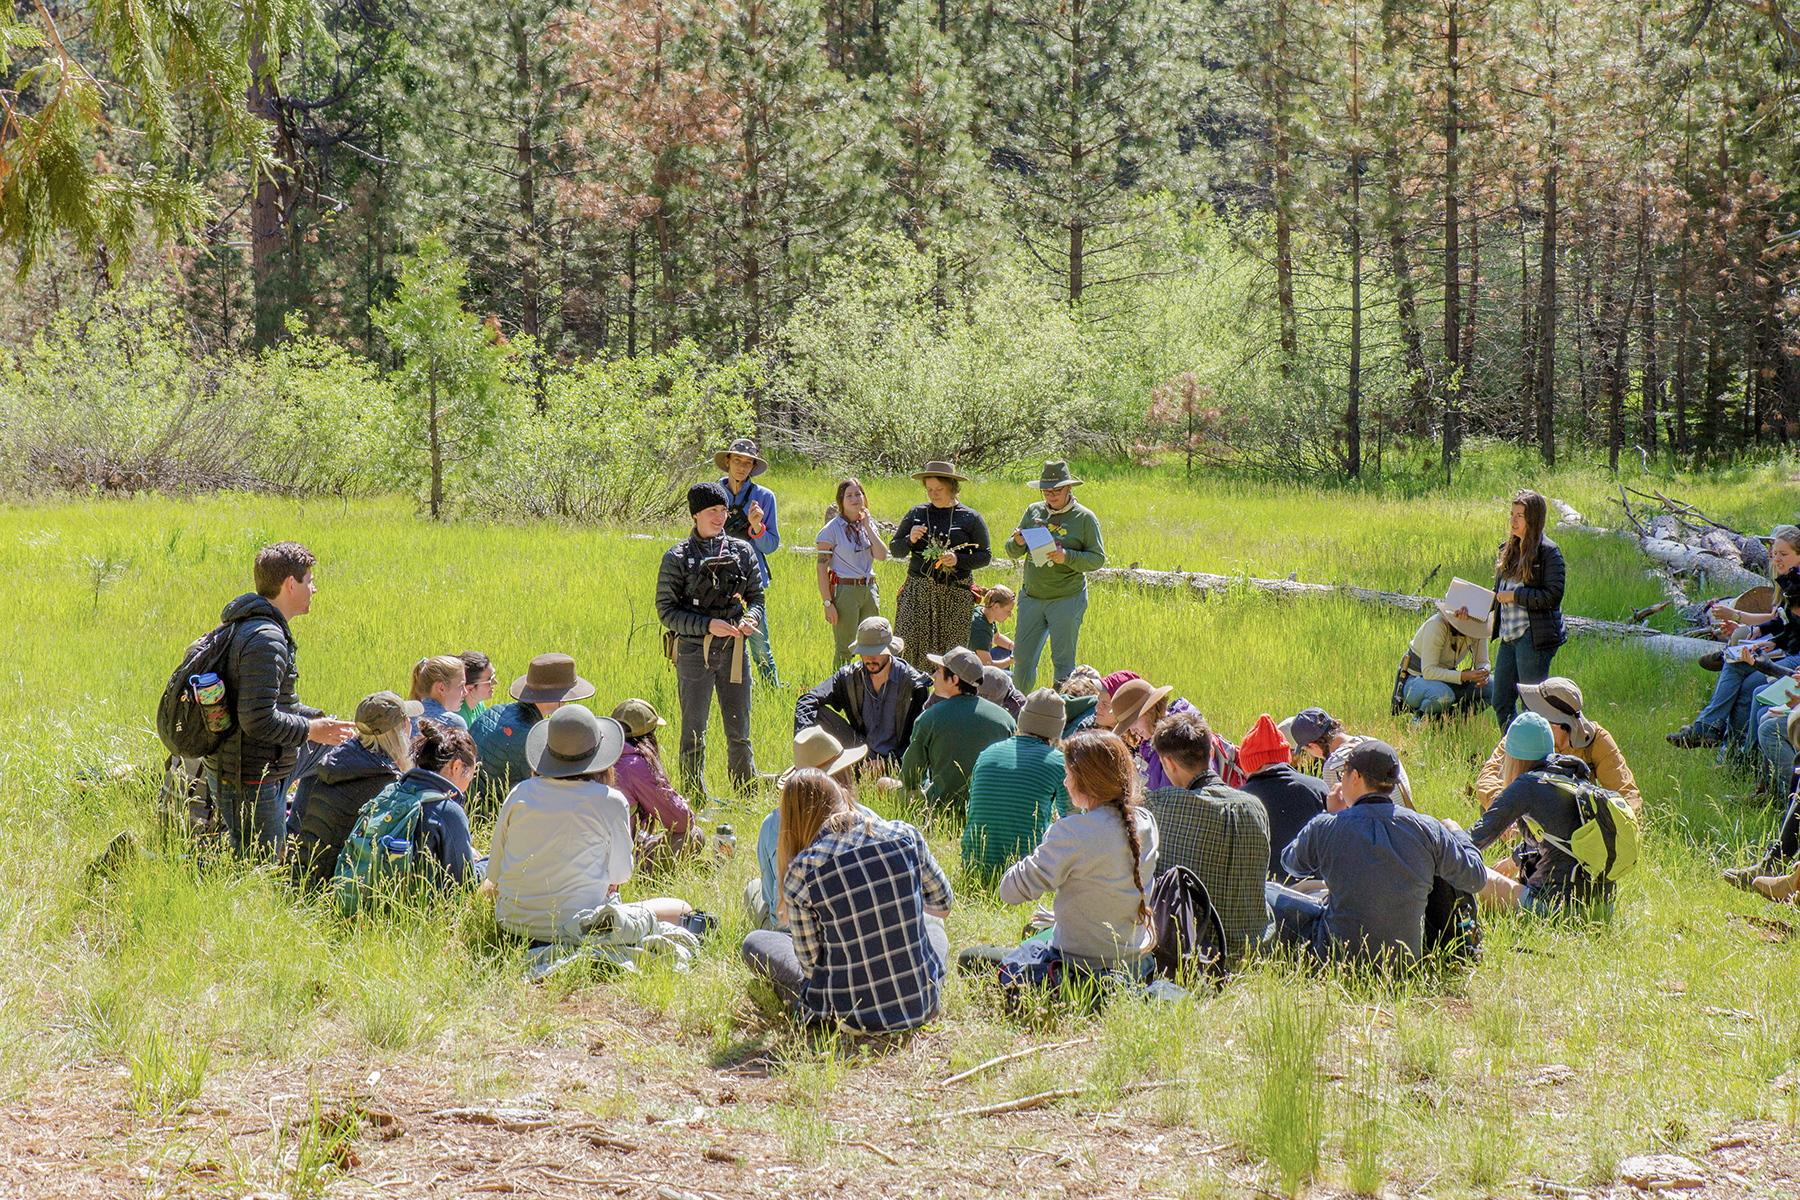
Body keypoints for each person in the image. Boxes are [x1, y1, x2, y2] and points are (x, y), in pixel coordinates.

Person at [740, 769, 954, 1033]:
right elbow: (943, 905)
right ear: (841, 796)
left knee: (755, 941)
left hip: (843, 1015)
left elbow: (810, 965)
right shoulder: (905, 835)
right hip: (920, 1004)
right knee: (934, 929)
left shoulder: (801, 872)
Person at [1269, 740, 1488, 967]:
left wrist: (1329, 815)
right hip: (1404, 963)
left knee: (1268, 892)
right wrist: (1458, 834)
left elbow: (1291, 863)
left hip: (1337, 959)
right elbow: (1476, 878)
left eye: (1342, 773)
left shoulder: (1327, 826)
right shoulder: (1428, 828)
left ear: (1355, 777)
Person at [204, 541, 355, 860]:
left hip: (265, 759)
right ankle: (148, 862)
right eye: (310, 581)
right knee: (260, 870)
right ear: (290, 584)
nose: (314, 589)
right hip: (249, 775)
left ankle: (303, 839)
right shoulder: (265, 639)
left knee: (338, 747)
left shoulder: (249, 625)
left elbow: (257, 702)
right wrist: (311, 729)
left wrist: (316, 720)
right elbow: (257, 719)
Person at [488, 706, 692, 943]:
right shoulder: (611, 801)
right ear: (599, 756)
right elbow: (621, 874)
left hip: (512, 928)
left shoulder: (519, 793)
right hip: (584, 928)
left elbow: (494, 873)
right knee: (681, 908)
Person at [997, 731, 1159, 977]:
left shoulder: (1072, 833)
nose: (1064, 782)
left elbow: (1009, 891)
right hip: (1138, 963)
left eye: (1068, 774)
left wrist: (1050, 841)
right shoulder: (1146, 821)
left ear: (1086, 782)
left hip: (1081, 968)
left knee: (977, 957)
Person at [658, 481, 765, 797]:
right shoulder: (677, 557)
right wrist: (707, 626)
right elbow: (666, 612)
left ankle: (745, 794)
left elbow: (757, 596)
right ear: (695, 515)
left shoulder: (742, 550)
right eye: (712, 511)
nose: (719, 517)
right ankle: (693, 798)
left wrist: (750, 619)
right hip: (693, 652)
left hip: (734, 651)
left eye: (723, 510)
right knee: (693, 732)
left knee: (739, 731)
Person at [1143, 711, 1272, 968]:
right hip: (1255, 949)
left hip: (1193, 952)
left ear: (1169, 763)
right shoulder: (1255, 806)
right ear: (1211, 753)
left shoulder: (1159, 806)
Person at [1461, 713, 1616, 917]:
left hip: (1555, 909)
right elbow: (1557, 836)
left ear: (1513, 757)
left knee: (1471, 870)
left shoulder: (1526, 785)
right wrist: (1512, 861)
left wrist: (1438, 839)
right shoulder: (1573, 777)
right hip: (1601, 910)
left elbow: (1473, 840)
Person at [1669, 532, 1800, 747]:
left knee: (1750, 686)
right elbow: (1786, 623)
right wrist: (1769, 637)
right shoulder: (1790, 581)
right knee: (1734, 665)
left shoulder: (1795, 585)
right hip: (1789, 649)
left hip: (1795, 657)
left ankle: (1735, 753)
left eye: (1783, 554)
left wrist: (1770, 637)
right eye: (1774, 553)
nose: (1776, 559)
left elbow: (1790, 626)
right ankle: (1710, 730)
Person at [745, 728, 875, 930]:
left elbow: (773, 898)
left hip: (790, 934)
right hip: (855, 929)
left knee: (753, 889)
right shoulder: (868, 817)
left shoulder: (772, 823)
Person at [290, 691, 419, 890]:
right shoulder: (388, 784)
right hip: (337, 892)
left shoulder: (341, 762)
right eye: (406, 720)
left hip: (303, 879)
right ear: (400, 730)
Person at [1004, 461, 1107, 692]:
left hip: (1066, 598)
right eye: (1046, 491)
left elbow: (1097, 559)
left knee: (1063, 663)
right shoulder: (1033, 511)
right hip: (1032, 597)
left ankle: (1060, 715)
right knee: (1022, 659)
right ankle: (1018, 710)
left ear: (1069, 489)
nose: (1051, 495)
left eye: (1056, 490)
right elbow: (1011, 551)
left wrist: (1067, 556)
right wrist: (1018, 541)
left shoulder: (1084, 518)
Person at [1474, 678, 1640, 813]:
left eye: (1535, 710)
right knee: (1485, 807)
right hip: (1525, 814)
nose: (1528, 713)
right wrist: (1504, 811)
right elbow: (1488, 776)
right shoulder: (1525, 730)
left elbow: (1626, 793)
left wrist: (1623, 834)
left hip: (1574, 824)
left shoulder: (1596, 741)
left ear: (1557, 723)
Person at [358, 718, 486, 894]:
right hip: (423, 910)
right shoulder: (447, 811)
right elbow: (465, 884)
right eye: (471, 775)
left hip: (369, 899)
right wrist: (488, 862)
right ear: (456, 767)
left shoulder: (392, 791)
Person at [889, 461, 993, 669]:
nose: (934, 494)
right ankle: (911, 696)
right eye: (929, 489)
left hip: (955, 595)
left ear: (952, 488)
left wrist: (959, 560)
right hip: (918, 592)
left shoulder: (969, 517)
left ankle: (946, 697)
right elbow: (895, 550)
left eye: (939, 489)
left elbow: (985, 556)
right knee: (908, 648)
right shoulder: (917, 513)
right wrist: (910, 540)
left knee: (952, 656)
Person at [793, 617, 932, 770]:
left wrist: (889, 764)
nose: (870, 658)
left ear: (890, 651)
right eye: (865, 652)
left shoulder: (914, 685)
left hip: (898, 759)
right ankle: (813, 769)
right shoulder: (848, 676)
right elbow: (807, 700)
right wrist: (802, 740)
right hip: (857, 750)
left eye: (877, 652)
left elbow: (918, 740)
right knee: (817, 711)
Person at [962, 689, 1072, 879]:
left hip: (973, 866)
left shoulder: (988, 752)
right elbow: (1072, 820)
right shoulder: (1058, 763)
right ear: (1057, 729)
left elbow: (973, 809)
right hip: (1025, 874)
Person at [469, 653, 596, 813]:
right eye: (565, 695)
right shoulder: (530, 737)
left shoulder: (496, 710)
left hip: (468, 803)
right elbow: (544, 793)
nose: (566, 701)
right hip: (488, 815)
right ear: (554, 696)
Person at [899, 646, 1017, 814]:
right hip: (989, 810)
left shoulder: (929, 718)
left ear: (954, 679)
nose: (933, 676)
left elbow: (910, 778)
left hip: (940, 807)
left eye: (939, 671)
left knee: (885, 784)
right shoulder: (1006, 720)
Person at [1489, 489, 1567, 729]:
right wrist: (1472, 607)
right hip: (1508, 636)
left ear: (1533, 519)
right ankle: (1510, 754)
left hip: (1533, 637)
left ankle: (1534, 760)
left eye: (1519, 516)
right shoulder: (1509, 549)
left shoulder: (1548, 553)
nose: (1513, 520)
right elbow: (1498, 594)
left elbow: (1552, 596)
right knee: (1500, 701)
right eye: (1511, 514)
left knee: (1532, 706)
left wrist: (1515, 595)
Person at [716, 437, 784, 687]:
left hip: (752, 581)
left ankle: (771, 693)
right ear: (727, 461)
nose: (742, 467)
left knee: (760, 645)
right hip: (716, 580)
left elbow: (771, 545)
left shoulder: (765, 497)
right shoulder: (713, 493)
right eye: (737, 460)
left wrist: (757, 526)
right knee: (718, 643)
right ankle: (729, 691)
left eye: (748, 463)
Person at [609, 698, 706, 869]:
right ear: (648, 736)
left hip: (591, 856)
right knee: (694, 835)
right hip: (620, 862)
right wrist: (681, 803)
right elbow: (683, 821)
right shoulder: (637, 765)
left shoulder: (601, 754)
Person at [1235, 713, 1328, 883]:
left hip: (1262, 896)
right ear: (1286, 756)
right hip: (1315, 893)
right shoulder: (1317, 788)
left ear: (1248, 764)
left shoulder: (1238, 801)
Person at [1112, 678, 1246, 789]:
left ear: (1151, 709)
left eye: (1134, 722)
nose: (1133, 730)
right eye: (1128, 726)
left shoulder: (1185, 739)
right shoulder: (1148, 741)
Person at [816, 477, 890, 668]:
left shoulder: (868, 525)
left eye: (858, 494)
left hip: (869, 589)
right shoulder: (830, 530)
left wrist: (867, 525)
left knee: (873, 644)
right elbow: (821, 568)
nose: (854, 499)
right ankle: (839, 692)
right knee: (845, 649)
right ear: (841, 501)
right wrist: (827, 603)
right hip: (845, 590)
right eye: (849, 495)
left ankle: (869, 687)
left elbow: (881, 556)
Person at [1288, 707, 1415, 808]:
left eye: (1307, 750)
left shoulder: (1333, 765)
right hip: (1406, 824)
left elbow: (1336, 815)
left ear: (1314, 746)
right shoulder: (1373, 743)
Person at [1397, 596, 1492, 717]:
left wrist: (1483, 672)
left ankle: (1450, 722)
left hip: (1446, 679)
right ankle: (1420, 720)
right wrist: (1463, 676)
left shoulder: (1478, 629)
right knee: (1444, 696)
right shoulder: (1436, 625)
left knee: (1493, 689)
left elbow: (1483, 661)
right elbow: (1428, 672)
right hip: (1416, 679)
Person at [410, 655, 469, 730]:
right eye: (461, 686)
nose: (465, 692)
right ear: (441, 689)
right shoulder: (453, 723)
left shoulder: (407, 719)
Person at [970, 585, 1016, 667]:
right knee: (1011, 678)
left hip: (982, 660)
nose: (1010, 615)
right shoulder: (980, 629)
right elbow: (987, 665)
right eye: (1008, 611)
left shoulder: (986, 613)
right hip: (973, 669)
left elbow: (997, 638)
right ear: (996, 607)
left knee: (1007, 650)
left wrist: (1014, 646)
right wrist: (1010, 661)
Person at [458, 651, 497, 723]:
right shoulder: (459, 718)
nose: (495, 682)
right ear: (470, 689)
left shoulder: (478, 703)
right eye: (490, 680)